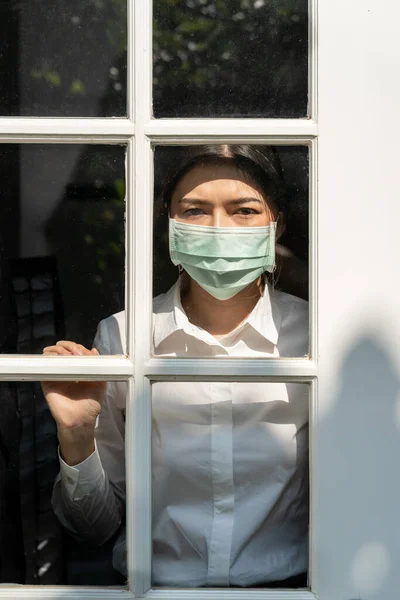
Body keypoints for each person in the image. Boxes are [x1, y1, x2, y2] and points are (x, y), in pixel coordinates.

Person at [42, 145, 309, 588]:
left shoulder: (315, 334)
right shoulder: (124, 337)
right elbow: (93, 529)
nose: (220, 229)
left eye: (244, 210)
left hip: (294, 593)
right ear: (169, 219)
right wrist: (76, 437)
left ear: (275, 220)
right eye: (196, 211)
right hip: (153, 593)